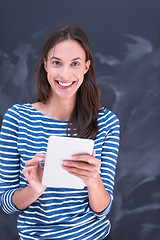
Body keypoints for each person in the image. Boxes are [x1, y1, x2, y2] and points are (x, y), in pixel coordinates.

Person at [0, 24, 120, 240]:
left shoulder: (107, 122)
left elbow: (103, 208)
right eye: (57, 63)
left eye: (75, 64)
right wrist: (35, 189)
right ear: (45, 65)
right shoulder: (17, 118)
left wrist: (94, 181)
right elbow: (6, 204)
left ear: (86, 67)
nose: (65, 74)